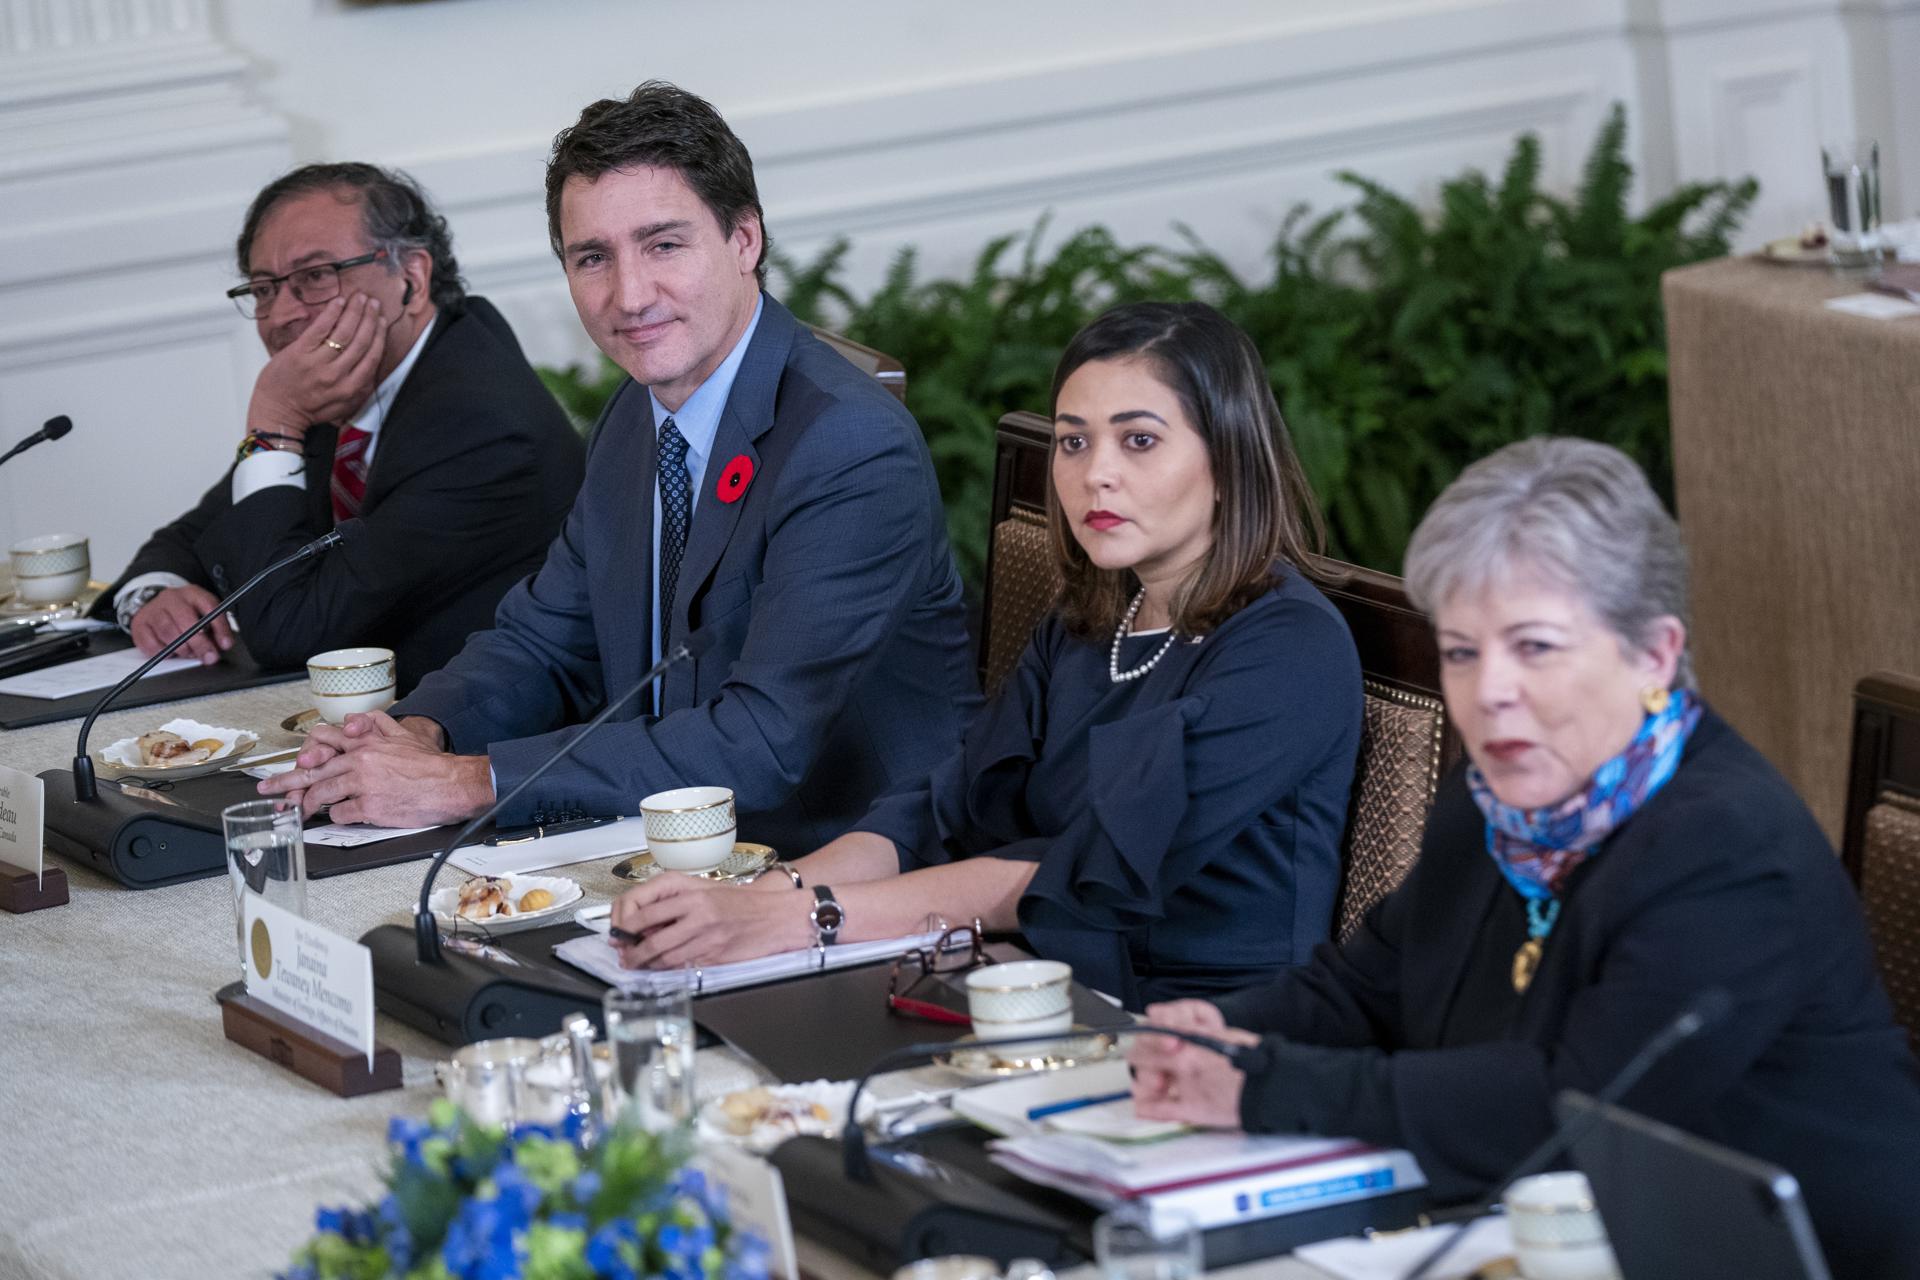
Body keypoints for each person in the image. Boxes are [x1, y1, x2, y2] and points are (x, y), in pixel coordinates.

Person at [1127, 437, 1920, 1276]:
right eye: (1463, 652)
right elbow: (1366, 987)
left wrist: (1262, 1084)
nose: (1489, 690)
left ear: (1653, 654)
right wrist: (1217, 1035)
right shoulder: (1498, 800)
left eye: (1534, 647)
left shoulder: (1725, 846)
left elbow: (1572, 1112)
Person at [262, 83, 978, 849]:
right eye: (593, 258)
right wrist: (411, 733)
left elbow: (760, 742)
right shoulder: (641, 414)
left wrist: (469, 781)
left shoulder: (849, 447)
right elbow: (546, 640)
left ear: (745, 240)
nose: (629, 296)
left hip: (839, 863)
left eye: (664, 245)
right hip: (668, 841)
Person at [608, 301, 1363, 1009]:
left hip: (1192, 1025)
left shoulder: (1289, 648)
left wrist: (806, 920)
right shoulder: (1088, 622)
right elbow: (942, 809)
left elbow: (1084, 875)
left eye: (1139, 440)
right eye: (1073, 440)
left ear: (1229, 459)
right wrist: (766, 894)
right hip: (1030, 979)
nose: (1095, 472)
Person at [95, 164, 584, 692]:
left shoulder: (481, 427)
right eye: (263, 289)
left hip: (476, 742)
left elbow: (290, 631)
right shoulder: (347, 386)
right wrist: (154, 594)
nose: (281, 314)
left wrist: (276, 424)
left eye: (314, 277)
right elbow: (194, 535)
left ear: (411, 280)